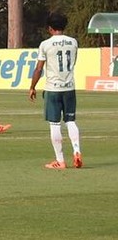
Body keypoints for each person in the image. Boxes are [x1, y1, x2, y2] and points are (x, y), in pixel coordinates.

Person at [28, 12, 82, 169]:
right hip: (69, 87)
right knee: (71, 121)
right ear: (64, 26)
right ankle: (77, 151)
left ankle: (60, 160)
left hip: (53, 88)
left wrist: (32, 87)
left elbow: (39, 69)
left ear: (49, 28)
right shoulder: (73, 42)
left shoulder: (45, 44)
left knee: (55, 124)